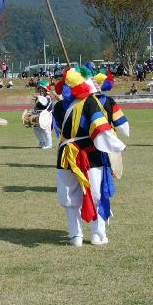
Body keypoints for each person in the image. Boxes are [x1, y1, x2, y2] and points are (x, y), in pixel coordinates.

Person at [52, 67, 126, 247]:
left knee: (70, 197)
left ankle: (75, 236)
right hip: (90, 153)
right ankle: (97, 234)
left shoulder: (58, 107)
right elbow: (101, 129)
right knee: (96, 194)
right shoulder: (91, 102)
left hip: (65, 154)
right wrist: (118, 146)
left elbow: (57, 132)